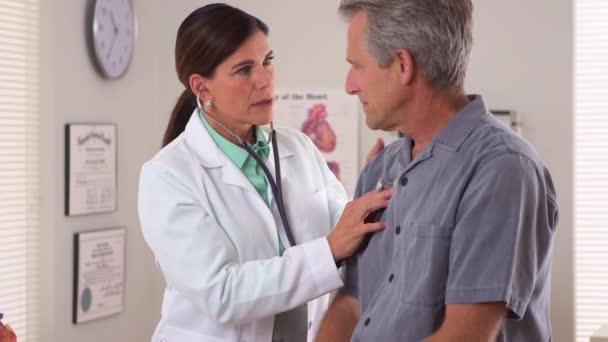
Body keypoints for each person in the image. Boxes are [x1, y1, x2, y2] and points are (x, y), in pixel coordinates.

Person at [137, 3, 392, 342]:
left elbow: (345, 237)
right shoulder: (168, 176)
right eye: (244, 70)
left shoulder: (298, 148)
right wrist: (328, 250)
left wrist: (367, 199)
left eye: (267, 61)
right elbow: (222, 293)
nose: (264, 79)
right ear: (202, 88)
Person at [317, 1, 559, 341]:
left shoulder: (502, 169)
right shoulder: (379, 171)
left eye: (357, 66)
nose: (350, 85)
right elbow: (350, 305)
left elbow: (464, 335)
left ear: (403, 65)